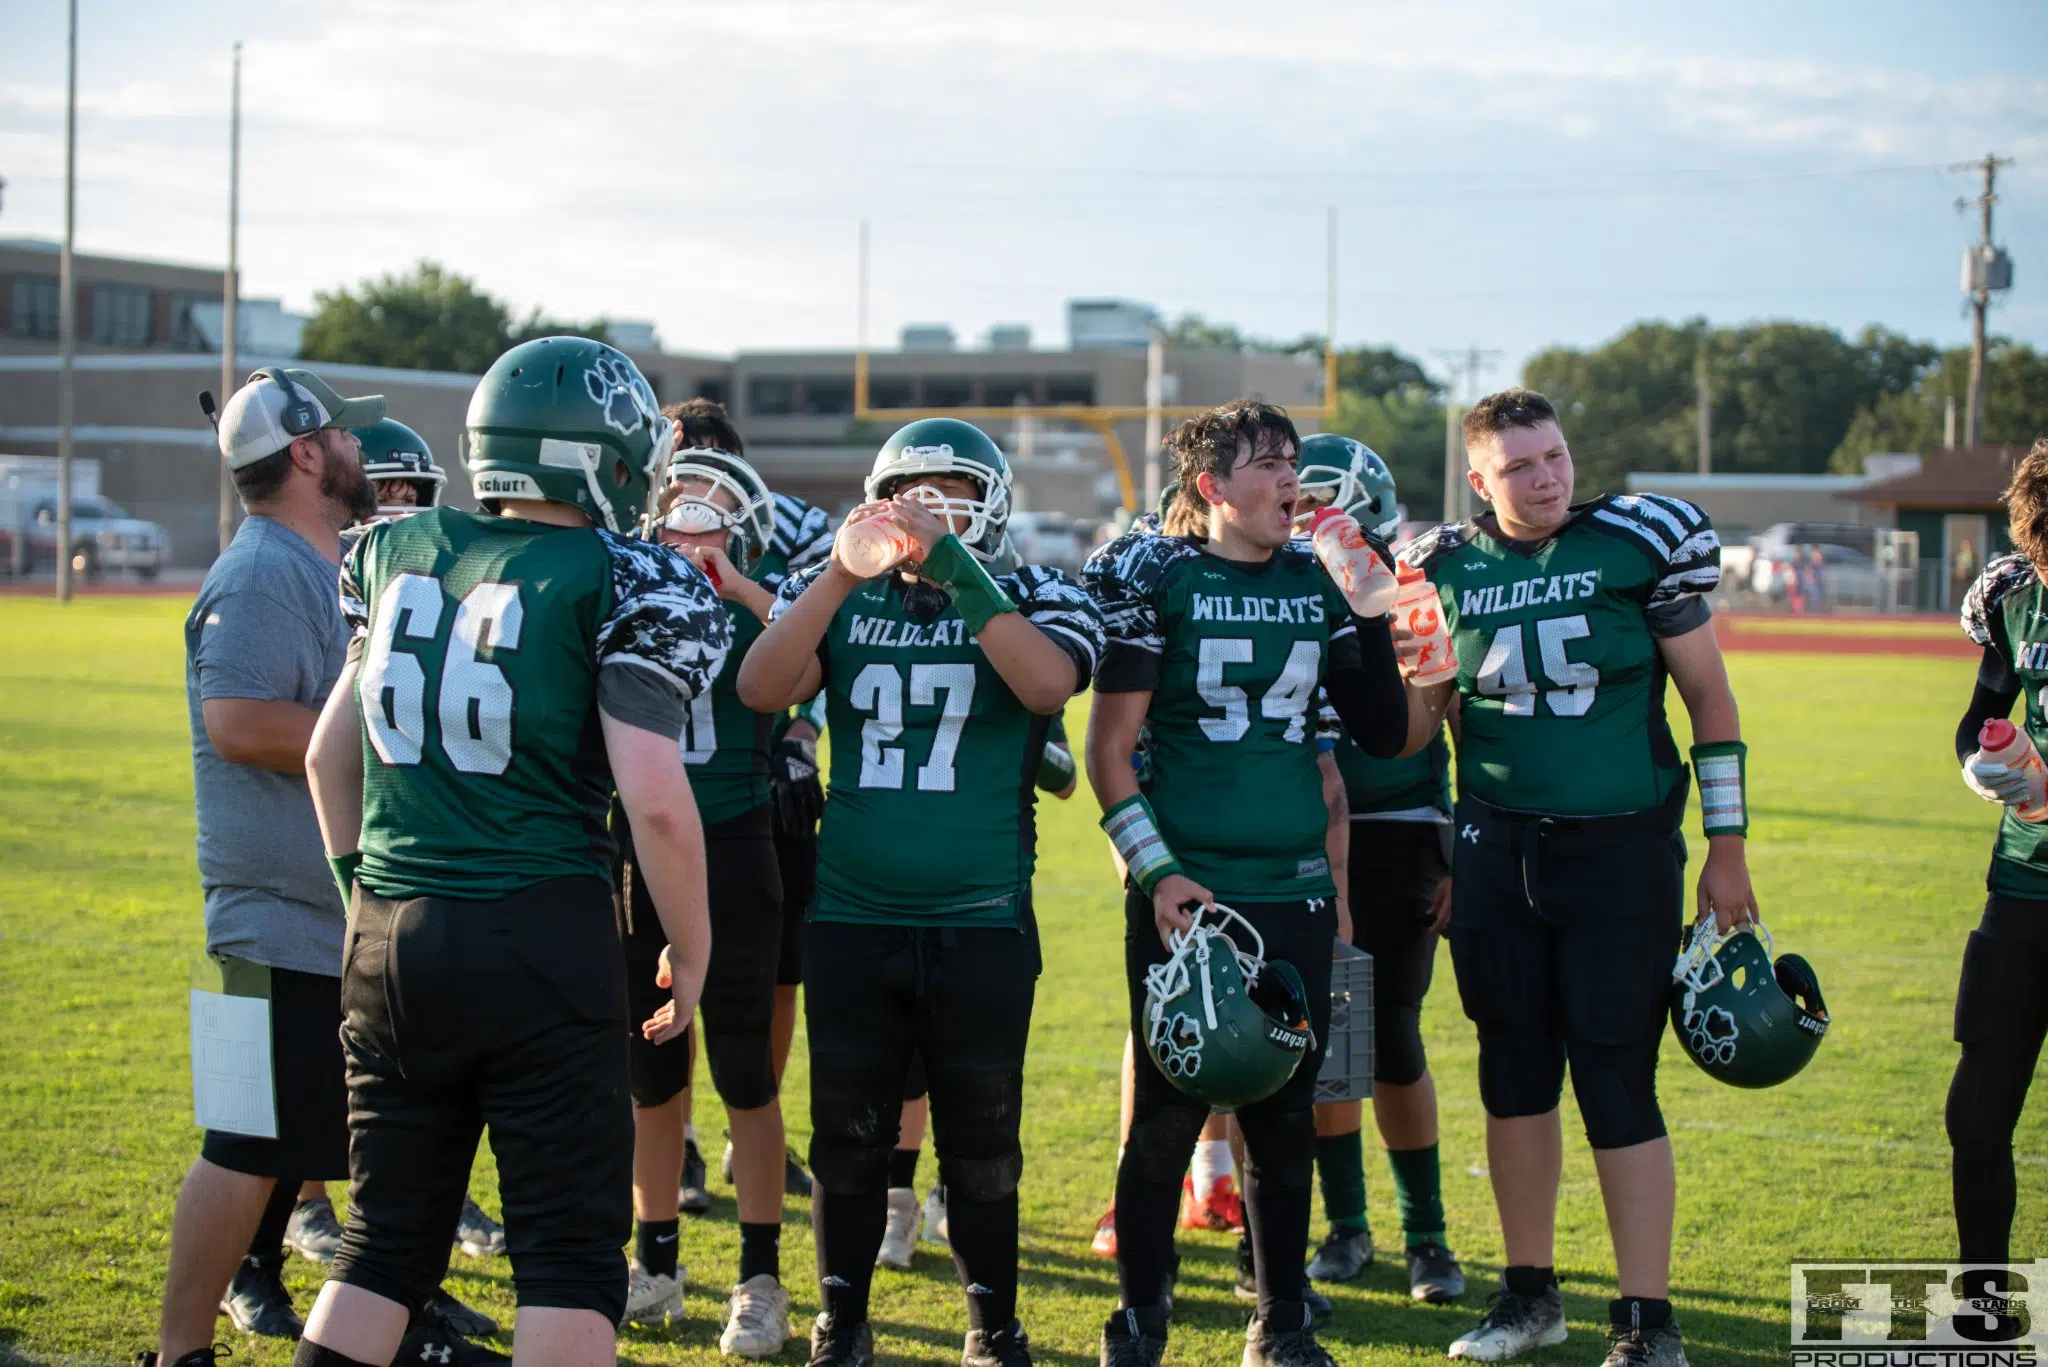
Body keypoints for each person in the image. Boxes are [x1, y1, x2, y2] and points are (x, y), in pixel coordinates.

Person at [294, 336, 727, 1367]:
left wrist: (364, 893)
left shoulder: (392, 548)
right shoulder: (627, 575)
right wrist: (696, 945)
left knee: (384, 1244)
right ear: (611, 461)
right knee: (568, 1262)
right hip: (538, 932)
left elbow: (324, 755)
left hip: (388, 932)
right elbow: (656, 800)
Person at [738, 417, 1105, 1367]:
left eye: (957, 493)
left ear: (994, 503)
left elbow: (1044, 683)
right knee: (849, 1136)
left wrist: (957, 571)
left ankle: (992, 1322)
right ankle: (841, 1320)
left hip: (981, 920)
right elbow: (761, 685)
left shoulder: (1033, 590)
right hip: (855, 917)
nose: (935, 511)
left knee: (984, 1141)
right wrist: (834, 575)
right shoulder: (846, 598)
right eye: (915, 493)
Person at [1398, 388, 1751, 1367]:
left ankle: (1644, 1319)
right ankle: (1528, 1296)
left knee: (1613, 1072)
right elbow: (1420, 721)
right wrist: (1371, 632)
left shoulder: (1633, 543)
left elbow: (1709, 701)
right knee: (1510, 1072)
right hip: (1496, 848)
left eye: (1552, 455)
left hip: (1620, 851)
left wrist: (1725, 847)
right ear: (1478, 479)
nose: (1545, 476)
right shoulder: (1440, 569)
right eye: (1518, 466)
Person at [1084, 399, 1423, 1367]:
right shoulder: (1162, 577)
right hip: (1187, 893)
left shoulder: (1317, 584)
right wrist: (1155, 873)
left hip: (1293, 887)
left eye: (1293, 461)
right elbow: (1108, 749)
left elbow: (1379, 730)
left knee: (1283, 1116)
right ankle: (1139, 1317)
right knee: (1164, 1114)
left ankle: (1278, 1320)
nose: (1290, 478)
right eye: (1268, 463)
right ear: (1209, 489)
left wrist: (1365, 609)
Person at [144, 368, 379, 1367]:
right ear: (306, 454)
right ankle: (177, 1349)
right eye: (342, 433)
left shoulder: (316, 560)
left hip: (320, 916)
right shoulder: (260, 571)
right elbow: (237, 721)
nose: (359, 449)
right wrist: (386, 737)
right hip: (273, 918)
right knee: (243, 1144)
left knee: (298, 1147)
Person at [284, 418, 507, 1284]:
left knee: (409, 1058)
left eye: (416, 493)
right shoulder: (319, 575)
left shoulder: (432, 578)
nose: (400, 507)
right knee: (325, 1042)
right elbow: (304, 739)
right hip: (330, 847)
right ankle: (309, 1200)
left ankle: (428, 1206)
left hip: (405, 851)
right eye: (387, 490)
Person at [611, 402, 810, 1354]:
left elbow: (813, 673)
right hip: (637, 854)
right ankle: (654, 1262)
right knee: (649, 1075)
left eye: (710, 505)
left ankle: (760, 1277)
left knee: (743, 1072)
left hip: (733, 839)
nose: (693, 519)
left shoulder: (762, 595)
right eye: (678, 502)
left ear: (740, 514)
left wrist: (741, 589)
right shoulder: (626, 588)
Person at [1295, 435, 1465, 1304]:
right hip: (1295, 832)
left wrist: (1460, 847)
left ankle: (1427, 1237)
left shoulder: (1414, 588)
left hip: (1397, 825)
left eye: (1313, 499)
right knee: (1321, 1042)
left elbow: (1463, 721)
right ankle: (1346, 1224)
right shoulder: (1277, 584)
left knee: (1390, 1037)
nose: (1297, 516)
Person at [877, 712, 1083, 1270]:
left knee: (968, 1059)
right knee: (903, 1058)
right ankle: (897, 1199)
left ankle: (950, 1187)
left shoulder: (1015, 654)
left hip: (983, 888)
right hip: (898, 873)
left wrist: (1012, 723)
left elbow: (1064, 777)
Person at [1953, 438, 2048, 1273]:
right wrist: (1988, 766)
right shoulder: (2019, 598)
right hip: (2021, 885)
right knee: (1975, 1118)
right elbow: (1977, 716)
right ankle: (1983, 1313)